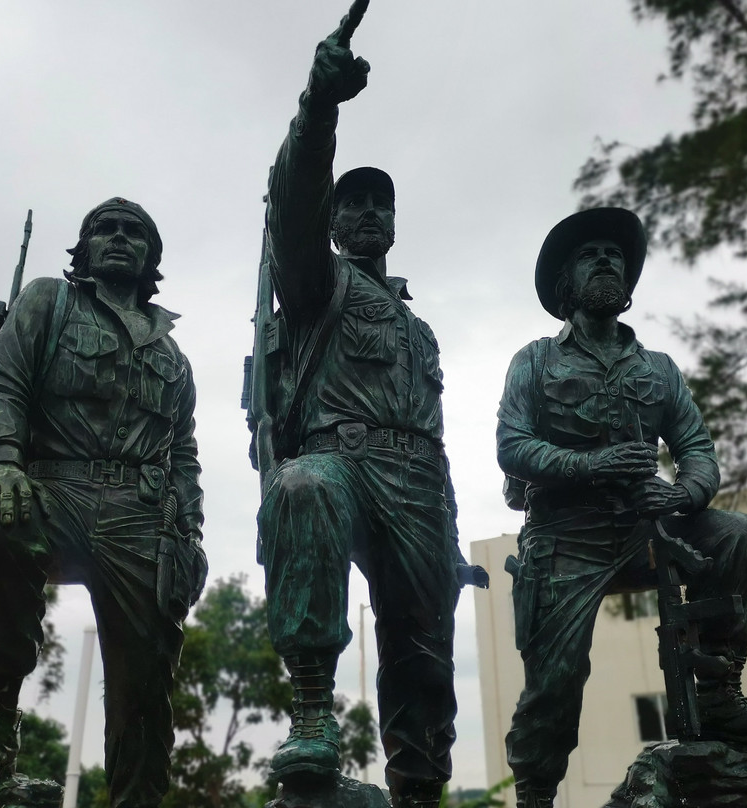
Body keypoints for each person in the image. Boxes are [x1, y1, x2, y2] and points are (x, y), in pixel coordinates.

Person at [497, 207, 747, 808]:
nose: (607, 260)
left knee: (740, 535)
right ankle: (535, 793)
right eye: (590, 255)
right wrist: (589, 466)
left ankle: (720, 691)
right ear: (566, 286)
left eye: (615, 255)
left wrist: (683, 493)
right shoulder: (534, 361)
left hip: (648, 529)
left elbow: (696, 450)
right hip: (565, 537)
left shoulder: (657, 369)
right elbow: (512, 446)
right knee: (554, 688)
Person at [253, 3, 478, 806]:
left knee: (424, 650)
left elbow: (437, 433)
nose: (369, 214)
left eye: (381, 205)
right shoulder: (318, 284)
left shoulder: (418, 325)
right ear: (337, 224)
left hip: (420, 483)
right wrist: (319, 106)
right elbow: (296, 197)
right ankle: (313, 711)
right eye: (354, 207)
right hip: (339, 458)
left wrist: (451, 532)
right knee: (303, 489)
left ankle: (421, 789)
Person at [0, 197, 206, 808]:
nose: (120, 238)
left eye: (136, 232)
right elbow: (0, 384)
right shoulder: (49, 301)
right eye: (105, 229)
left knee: (146, 683)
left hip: (140, 511)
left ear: (153, 256)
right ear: (84, 250)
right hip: (52, 489)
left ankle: (136, 796)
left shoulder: (173, 357)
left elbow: (182, 455)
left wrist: (191, 535)